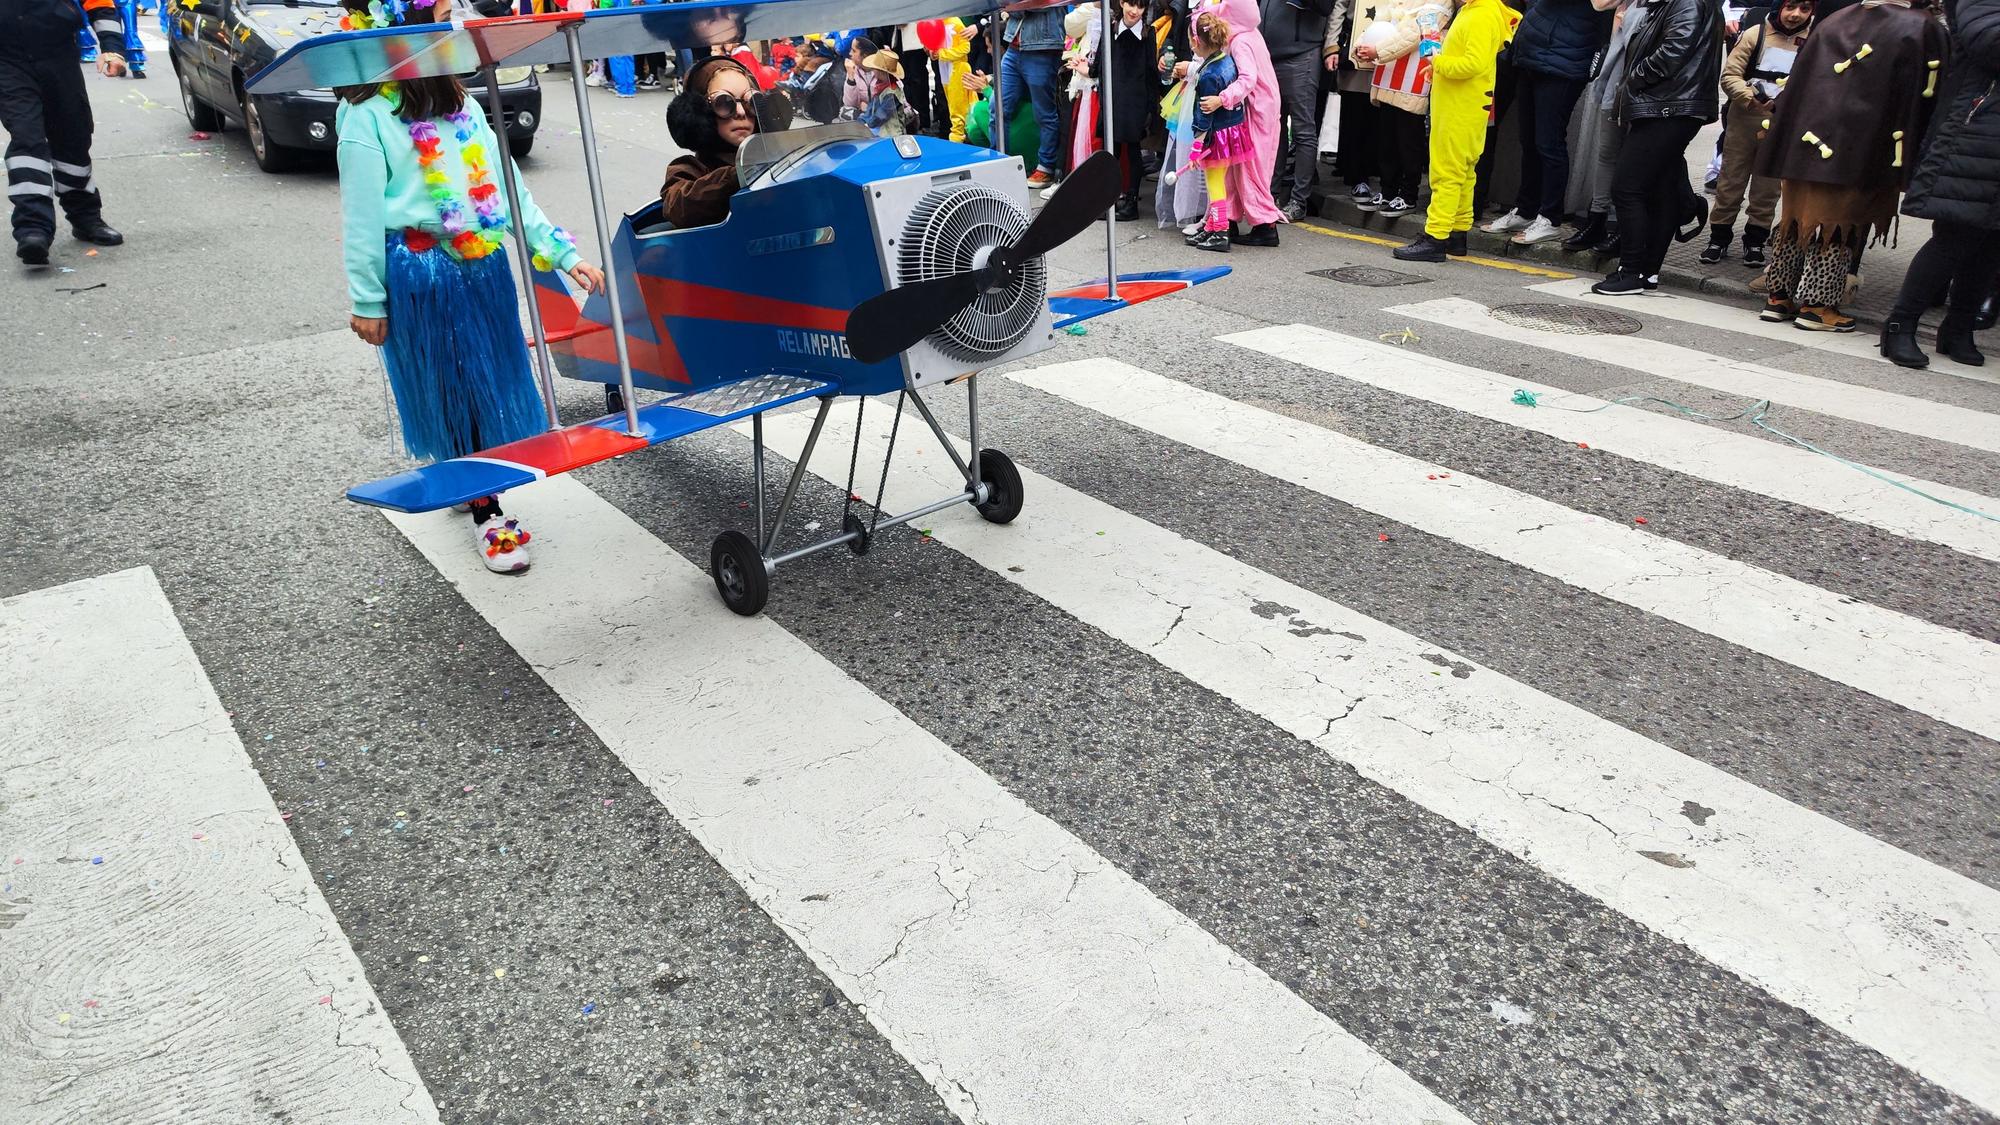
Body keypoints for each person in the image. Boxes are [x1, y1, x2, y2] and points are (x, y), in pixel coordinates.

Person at [334, 0, 605, 573]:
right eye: (443, 16)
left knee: (489, 384)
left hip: (481, 267)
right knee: (454, 387)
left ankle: (472, 478)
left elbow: (506, 189)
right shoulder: (366, 116)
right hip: (423, 273)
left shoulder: (462, 105)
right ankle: (489, 512)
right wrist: (367, 298)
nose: (456, 27)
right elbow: (360, 217)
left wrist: (561, 252)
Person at [1753, 0, 1946, 329]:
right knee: (1838, 226)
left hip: (1803, 139)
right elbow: (1928, 94)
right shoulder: (1920, 26)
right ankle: (1817, 306)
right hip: (1859, 146)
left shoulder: (1835, 19)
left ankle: (1778, 297)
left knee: (1797, 220)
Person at [1882, 0, 1992, 366]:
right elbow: (1988, 38)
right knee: (1954, 236)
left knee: (1992, 244)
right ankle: (1900, 325)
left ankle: (1958, 329)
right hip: (1974, 133)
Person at [1590, 0, 1721, 295]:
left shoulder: (1687, 2)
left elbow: (1673, 52)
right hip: (1671, 105)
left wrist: (1633, 81)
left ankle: (1632, 270)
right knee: (1661, 191)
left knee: (1627, 187)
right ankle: (1646, 272)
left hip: (1668, 106)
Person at [3, 0, 129, 266]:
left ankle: (85, 219)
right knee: (27, 139)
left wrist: (112, 49)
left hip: (58, 56)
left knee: (73, 136)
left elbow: (100, 4)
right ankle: (32, 229)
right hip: (7, 62)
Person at [1394, 0, 1521, 261]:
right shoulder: (1478, 11)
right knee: (1463, 172)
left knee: (1447, 172)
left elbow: (1473, 64)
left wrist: (1438, 63)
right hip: (1465, 104)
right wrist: (1439, 67)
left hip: (1460, 106)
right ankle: (1456, 234)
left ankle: (1436, 237)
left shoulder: (1480, 14)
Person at [1482, 0, 1614, 244]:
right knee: (1529, 140)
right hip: (1531, 53)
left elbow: (1602, 6)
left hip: (1565, 60)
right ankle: (1525, 209)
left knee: (1549, 142)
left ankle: (1550, 217)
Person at [1702, 0, 1813, 265]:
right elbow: (1730, 76)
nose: (1796, 15)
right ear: (1779, 8)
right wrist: (1750, 97)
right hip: (1745, 118)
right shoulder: (1756, 34)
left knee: (1768, 187)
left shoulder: (1813, 42)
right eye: (1791, 7)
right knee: (1731, 181)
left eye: (1805, 9)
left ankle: (1755, 239)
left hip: (1781, 124)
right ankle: (1718, 237)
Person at [1197, 0, 1287, 244]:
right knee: (1237, 166)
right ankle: (1230, 219)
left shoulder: (1241, 41)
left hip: (1257, 111)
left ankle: (1265, 225)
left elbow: (1248, 78)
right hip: (1257, 109)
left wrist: (1222, 99)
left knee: (1251, 169)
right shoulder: (1250, 34)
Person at [1353, 0, 1452, 217]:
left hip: (1414, 73)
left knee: (1408, 140)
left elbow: (1416, 32)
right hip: (1389, 69)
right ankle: (1388, 191)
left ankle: (1408, 196)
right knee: (1387, 138)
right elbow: (1380, 18)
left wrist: (1377, 49)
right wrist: (1362, 44)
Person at [1561, 0, 1636, 253]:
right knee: (1607, 153)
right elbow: (1600, 3)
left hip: (1644, 86)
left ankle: (1624, 229)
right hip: (1614, 79)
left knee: (1632, 159)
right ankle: (1597, 219)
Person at [1183, 8, 1254, 250]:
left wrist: (1195, 149)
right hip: (1231, 132)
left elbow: (1204, 117)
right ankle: (1213, 228)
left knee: (1214, 183)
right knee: (1218, 181)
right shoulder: (1227, 61)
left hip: (1217, 137)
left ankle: (1220, 231)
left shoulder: (1208, 76)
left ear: (1196, 41)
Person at [1260, 0, 1338, 221]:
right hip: (1270, 55)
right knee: (1275, 129)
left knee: (1303, 130)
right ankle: (1270, 196)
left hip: (1301, 54)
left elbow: (1325, 7)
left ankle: (1298, 201)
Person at [661, 56, 760, 227]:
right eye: (724, 102)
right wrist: (737, 176)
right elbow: (677, 206)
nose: (741, 112)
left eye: (750, 102)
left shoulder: (776, 156)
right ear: (701, 112)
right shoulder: (690, 169)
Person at [1096, 0, 1159, 218]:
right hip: (1112, 97)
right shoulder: (1111, 28)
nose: (1134, 11)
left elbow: (1152, 72)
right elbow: (1098, 65)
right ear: (1121, 3)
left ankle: (1132, 201)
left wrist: (1152, 108)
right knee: (1110, 151)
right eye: (1131, 4)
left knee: (1133, 150)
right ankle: (1109, 200)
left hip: (1135, 100)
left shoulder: (1147, 34)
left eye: (1140, 7)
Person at [999, 4, 1069, 186]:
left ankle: (1046, 167)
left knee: (1044, 113)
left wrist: (1013, 6)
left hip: (1043, 48)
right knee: (997, 107)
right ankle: (998, 162)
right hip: (1014, 45)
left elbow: (1038, 3)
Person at [859, 48, 913, 136]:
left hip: (892, 135)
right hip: (880, 132)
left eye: (874, 68)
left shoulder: (893, 93)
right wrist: (861, 121)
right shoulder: (880, 88)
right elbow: (870, 110)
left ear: (880, 71)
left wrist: (867, 125)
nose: (872, 71)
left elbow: (881, 116)